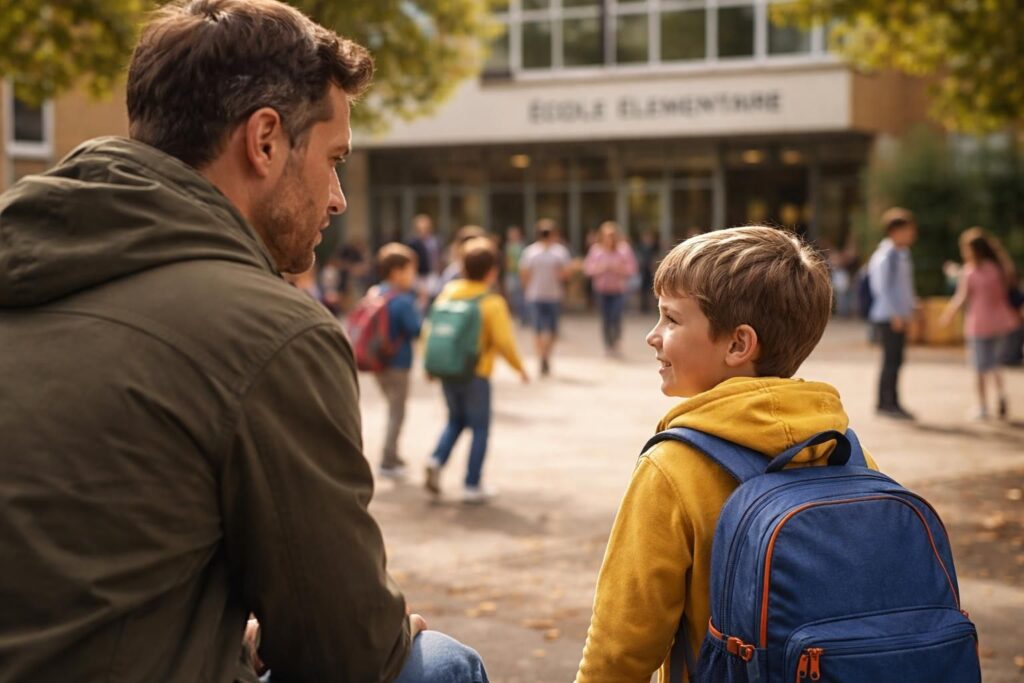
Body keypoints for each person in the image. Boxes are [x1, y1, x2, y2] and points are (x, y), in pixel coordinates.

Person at [0, 1, 488, 681]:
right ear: (264, 140)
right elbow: (347, 655)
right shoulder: (270, 334)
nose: (338, 197)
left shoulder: (28, 262)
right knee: (436, 663)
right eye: (333, 158)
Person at [574, 227, 879, 682]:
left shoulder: (674, 469)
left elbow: (619, 650)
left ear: (738, 344)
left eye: (671, 320)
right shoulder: (847, 452)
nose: (652, 337)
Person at [424, 238, 529, 504]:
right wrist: (520, 368)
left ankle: (436, 459)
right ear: (492, 271)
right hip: (476, 373)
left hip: (448, 369)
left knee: (455, 420)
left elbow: (432, 330)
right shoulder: (491, 302)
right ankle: (472, 484)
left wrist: (429, 364)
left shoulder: (448, 292)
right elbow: (503, 342)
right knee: (480, 427)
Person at [939, 228, 1021, 419]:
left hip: (978, 323)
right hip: (1001, 322)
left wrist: (949, 314)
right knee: (994, 364)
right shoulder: (999, 269)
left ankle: (982, 406)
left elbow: (962, 297)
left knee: (979, 367)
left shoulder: (970, 272)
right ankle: (1001, 394)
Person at [370, 243, 423, 476]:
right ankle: (388, 460)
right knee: (397, 413)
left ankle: (392, 455)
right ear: (397, 272)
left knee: (392, 410)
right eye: (411, 271)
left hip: (377, 363)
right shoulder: (402, 300)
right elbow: (415, 330)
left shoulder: (375, 292)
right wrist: (420, 305)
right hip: (398, 364)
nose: (414, 277)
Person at [867, 208, 919, 420]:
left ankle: (892, 401)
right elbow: (883, 288)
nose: (911, 234)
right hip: (889, 317)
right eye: (907, 230)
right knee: (890, 360)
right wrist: (895, 314)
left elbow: (903, 287)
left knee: (897, 360)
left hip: (899, 316)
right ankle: (886, 402)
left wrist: (913, 306)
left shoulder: (901, 254)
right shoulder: (886, 256)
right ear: (895, 231)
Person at [519, 219, 573, 377]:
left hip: (537, 295)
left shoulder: (531, 252)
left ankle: (543, 356)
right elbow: (566, 273)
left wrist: (526, 289)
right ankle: (545, 356)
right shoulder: (559, 252)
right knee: (551, 330)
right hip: (550, 295)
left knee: (539, 330)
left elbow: (523, 273)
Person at [583, 221, 638, 357]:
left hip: (618, 290)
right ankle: (608, 345)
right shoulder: (596, 250)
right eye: (608, 236)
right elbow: (588, 269)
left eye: (613, 235)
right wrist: (601, 268)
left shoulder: (624, 250)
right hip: (601, 291)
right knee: (605, 319)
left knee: (616, 316)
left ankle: (616, 342)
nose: (610, 239)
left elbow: (632, 269)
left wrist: (617, 268)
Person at [407, 213, 443, 302]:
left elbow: (438, 256)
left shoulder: (435, 240)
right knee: (421, 298)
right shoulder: (413, 242)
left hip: (432, 273)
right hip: (419, 274)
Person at [502, 225, 527, 323]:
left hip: (519, 274)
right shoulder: (508, 246)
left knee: (520, 296)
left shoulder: (522, 246)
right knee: (513, 295)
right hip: (511, 274)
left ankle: (523, 316)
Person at [636, 229, 660, 313]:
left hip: (652, 270)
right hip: (643, 271)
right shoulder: (640, 247)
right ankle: (644, 307)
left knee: (653, 288)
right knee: (644, 290)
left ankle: (655, 307)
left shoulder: (655, 246)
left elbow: (657, 256)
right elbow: (638, 257)